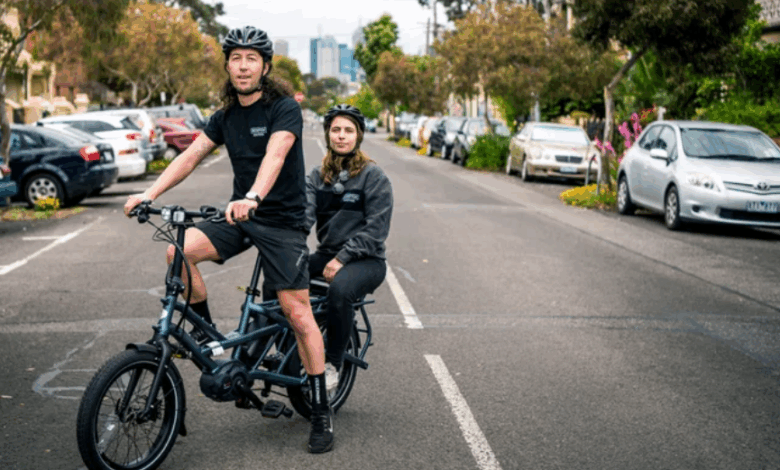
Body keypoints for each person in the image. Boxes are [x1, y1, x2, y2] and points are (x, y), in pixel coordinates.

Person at [123, 26, 334, 454]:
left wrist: (253, 195)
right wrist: (149, 194)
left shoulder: (282, 110)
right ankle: (208, 341)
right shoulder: (224, 116)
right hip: (241, 216)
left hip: (281, 221)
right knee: (177, 251)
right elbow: (191, 155)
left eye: (251, 59)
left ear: (265, 67)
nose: (243, 66)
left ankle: (321, 406)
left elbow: (277, 154)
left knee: (296, 310)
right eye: (236, 58)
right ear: (228, 65)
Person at [305, 104, 393, 394]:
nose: (341, 136)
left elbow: (376, 231)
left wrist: (342, 258)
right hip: (327, 254)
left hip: (366, 261)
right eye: (336, 130)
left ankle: (332, 363)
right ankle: (272, 345)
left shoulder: (374, 177)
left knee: (340, 290)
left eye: (348, 130)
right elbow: (302, 217)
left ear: (358, 136)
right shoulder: (317, 176)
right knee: (279, 275)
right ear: (328, 134)